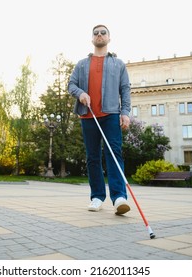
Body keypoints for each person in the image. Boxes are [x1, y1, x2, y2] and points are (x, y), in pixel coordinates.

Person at [68, 24, 131, 215]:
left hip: (111, 114)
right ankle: (97, 197)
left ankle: (119, 197)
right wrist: (80, 94)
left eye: (103, 32)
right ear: (92, 39)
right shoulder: (81, 64)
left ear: (109, 38)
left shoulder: (118, 64)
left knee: (114, 154)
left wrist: (125, 112)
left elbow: (125, 89)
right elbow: (71, 84)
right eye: (96, 33)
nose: (99, 35)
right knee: (92, 157)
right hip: (89, 116)